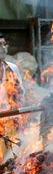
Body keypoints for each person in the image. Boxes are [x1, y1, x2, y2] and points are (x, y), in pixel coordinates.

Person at [0, 32, 25, 163]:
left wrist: (19, 119)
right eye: (0, 45)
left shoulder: (12, 68)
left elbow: (21, 95)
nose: (3, 48)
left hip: (10, 122)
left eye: (4, 44)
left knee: (10, 161)